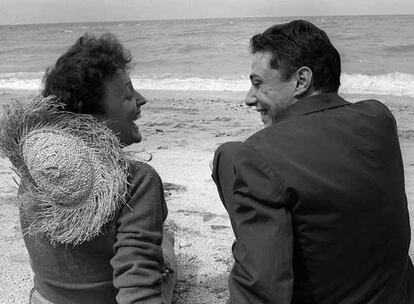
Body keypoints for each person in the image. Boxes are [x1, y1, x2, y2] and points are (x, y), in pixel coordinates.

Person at [212, 20, 414, 304]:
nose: (249, 99)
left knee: (230, 156)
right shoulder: (378, 118)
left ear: (301, 81)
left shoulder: (256, 156)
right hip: (395, 293)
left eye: (258, 84)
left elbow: (261, 290)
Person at [0, 33, 176, 304]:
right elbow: (137, 289)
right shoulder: (138, 180)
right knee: (166, 243)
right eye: (128, 94)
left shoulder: (35, 169)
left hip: (44, 298)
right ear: (93, 118)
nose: (142, 99)